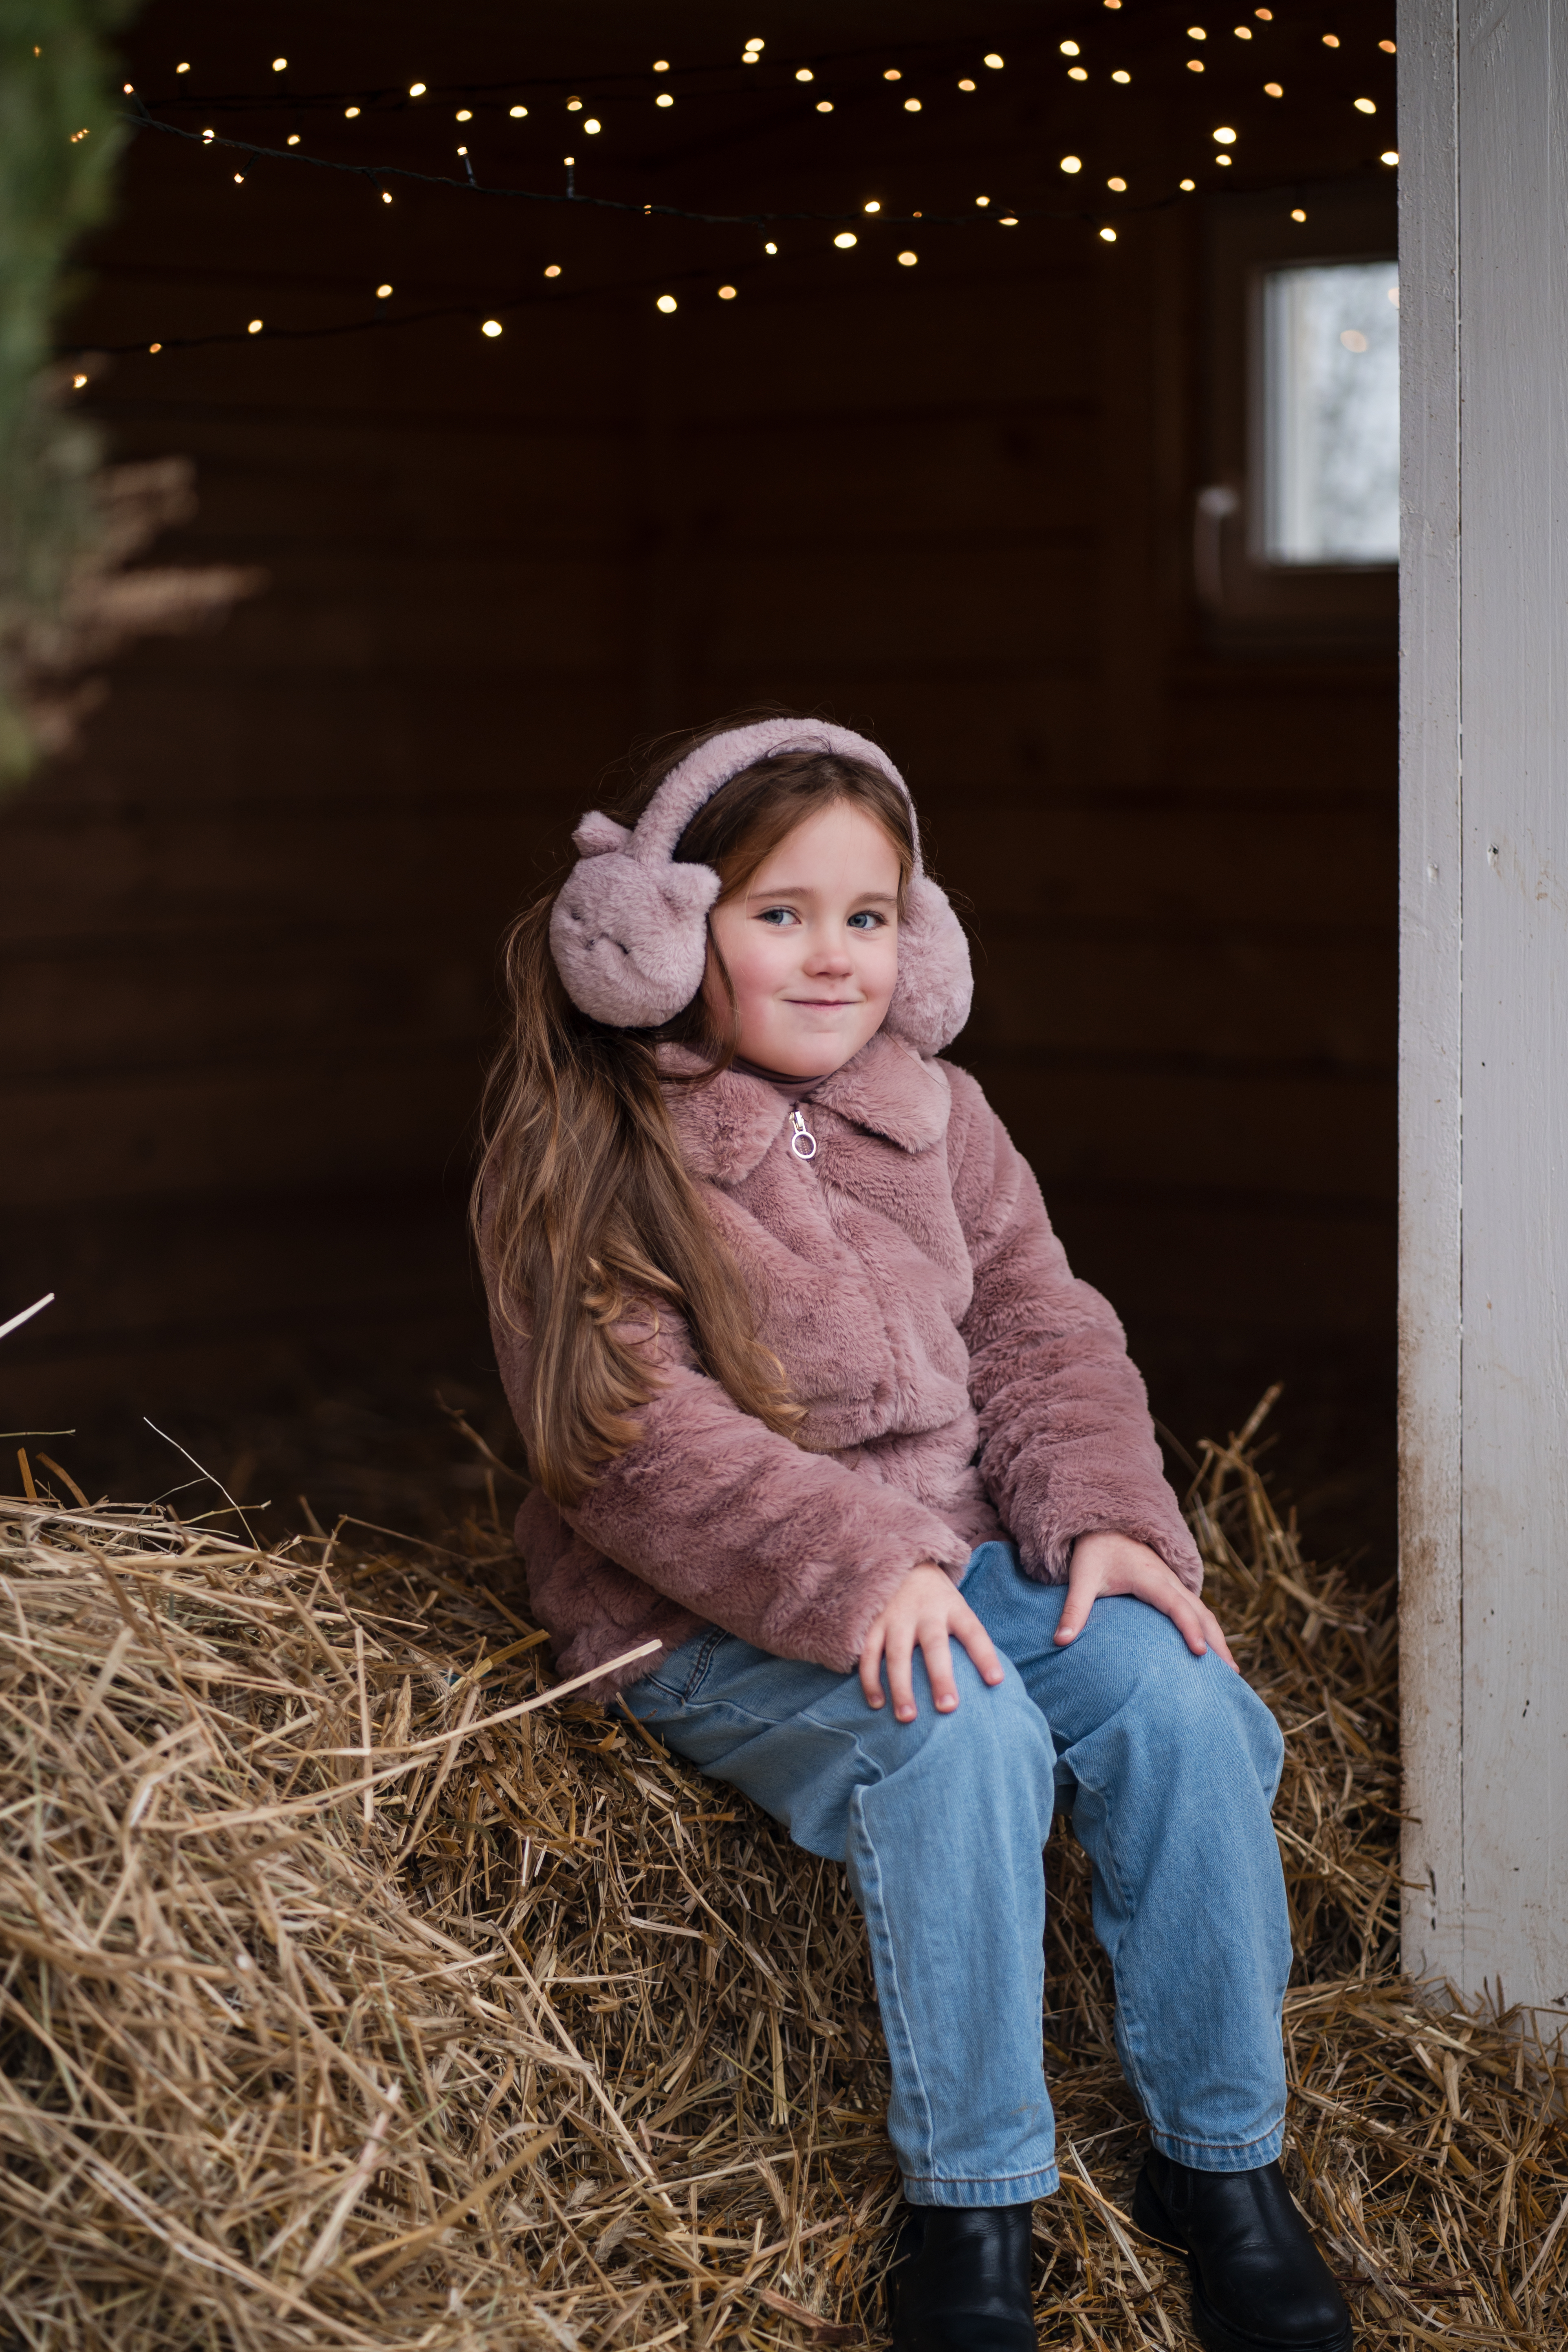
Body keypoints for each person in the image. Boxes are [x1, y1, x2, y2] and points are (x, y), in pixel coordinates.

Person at [475, 717, 1352, 2352]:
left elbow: (1038, 1326)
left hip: (977, 1558)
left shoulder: (941, 1119)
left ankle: (1220, 2163)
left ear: (921, 941)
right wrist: (857, 1565)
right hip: (719, 1608)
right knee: (958, 1745)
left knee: (1168, 1696)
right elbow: (625, 1440)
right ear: (663, 935)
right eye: (778, 915)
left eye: (867, 918)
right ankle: (974, 2209)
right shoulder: (590, 1152)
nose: (832, 959)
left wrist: (1101, 1517)